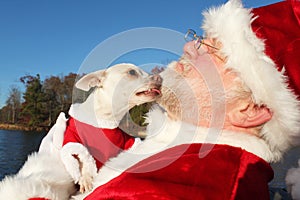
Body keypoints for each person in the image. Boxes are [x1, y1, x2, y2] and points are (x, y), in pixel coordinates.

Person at [80, 0, 300, 199]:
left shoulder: (190, 184)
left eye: (214, 50)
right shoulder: (177, 160)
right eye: (199, 39)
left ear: (250, 110)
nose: (187, 47)